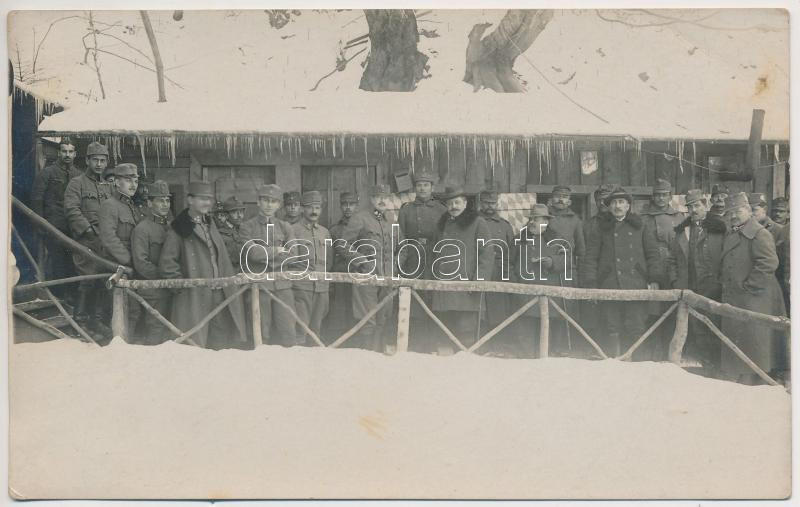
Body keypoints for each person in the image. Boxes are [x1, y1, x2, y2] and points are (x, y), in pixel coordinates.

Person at [158, 181, 247, 350]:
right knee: (194, 344)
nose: (207, 203)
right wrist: (183, 288)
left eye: (209, 199)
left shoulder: (209, 223)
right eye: (202, 199)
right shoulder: (179, 227)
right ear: (190, 200)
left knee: (221, 339)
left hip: (220, 291)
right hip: (195, 296)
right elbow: (167, 264)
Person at [582, 186, 661, 359]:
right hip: (609, 282)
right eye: (613, 203)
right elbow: (591, 258)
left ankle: (638, 362)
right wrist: (591, 282)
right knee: (612, 325)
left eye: (621, 202)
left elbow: (653, 254)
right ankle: (614, 362)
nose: (617, 206)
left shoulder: (641, 226)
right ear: (609, 207)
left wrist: (654, 279)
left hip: (636, 282)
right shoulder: (600, 228)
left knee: (636, 324)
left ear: (628, 206)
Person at [719, 193, 787, 385]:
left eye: (738, 211)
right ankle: (743, 378)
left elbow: (768, 263)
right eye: (730, 212)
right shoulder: (733, 233)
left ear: (749, 211)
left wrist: (749, 287)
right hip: (739, 297)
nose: (733, 216)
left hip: (756, 297)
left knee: (756, 342)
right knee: (745, 341)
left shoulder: (759, 233)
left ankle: (756, 381)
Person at [336, 184, 404, 352]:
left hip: (387, 278)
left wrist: (396, 265)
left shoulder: (392, 221)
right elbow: (343, 245)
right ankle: (367, 355)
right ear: (372, 199)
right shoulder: (360, 218)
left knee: (384, 317)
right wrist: (362, 261)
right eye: (378, 197)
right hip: (367, 277)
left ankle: (379, 355)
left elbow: (403, 247)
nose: (382, 201)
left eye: (385, 198)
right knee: (368, 319)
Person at [666, 189, 726, 375]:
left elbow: (727, 257)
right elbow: (672, 260)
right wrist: (676, 280)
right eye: (690, 207)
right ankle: (704, 364)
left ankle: (717, 366)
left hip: (714, 286)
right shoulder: (681, 231)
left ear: (706, 206)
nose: (694, 210)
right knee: (694, 325)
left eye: (697, 205)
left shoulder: (720, 228)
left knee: (715, 325)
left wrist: (721, 281)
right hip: (689, 286)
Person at [430, 186, 495, 351]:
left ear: (465, 203)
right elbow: (435, 253)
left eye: (457, 202)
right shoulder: (442, 224)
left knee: (466, 332)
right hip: (444, 287)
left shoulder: (478, 223)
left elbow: (487, 254)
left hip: (467, 288)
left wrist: (479, 281)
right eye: (450, 203)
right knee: (446, 330)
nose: (454, 206)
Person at [63, 141, 113, 340]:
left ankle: (97, 321)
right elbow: (71, 210)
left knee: (103, 280)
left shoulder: (108, 187)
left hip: (106, 242)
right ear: (87, 161)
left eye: (102, 161)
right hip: (86, 241)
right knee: (87, 279)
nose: (99, 164)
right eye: (95, 160)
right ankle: (80, 322)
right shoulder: (77, 183)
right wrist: (88, 231)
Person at [238, 184, 298, 346]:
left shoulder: (285, 227)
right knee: (260, 333)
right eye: (265, 200)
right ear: (258, 202)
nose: (269, 205)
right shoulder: (247, 227)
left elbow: (293, 255)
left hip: (283, 286)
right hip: (259, 286)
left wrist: (264, 256)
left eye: (273, 201)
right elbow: (252, 253)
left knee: (288, 332)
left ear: (279, 205)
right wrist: (277, 250)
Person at [396, 170, 447, 352]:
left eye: (426, 185)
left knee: (433, 297)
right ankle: (413, 343)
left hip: (434, 257)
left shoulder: (442, 210)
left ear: (432, 187)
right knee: (413, 298)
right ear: (415, 188)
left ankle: (431, 343)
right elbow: (400, 236)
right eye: (419, 185)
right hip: (412, 257)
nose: (422, 188)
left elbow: (445, 236)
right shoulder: (406, 209)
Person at [639, 178, 686, 360]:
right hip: (651, 268)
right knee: (652, 309)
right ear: (653, 196)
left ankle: (672, 351)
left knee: (673, 308)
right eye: (657, 195)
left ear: (670, 196)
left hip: (673, 268)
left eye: (664, 195)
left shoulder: (679, 217)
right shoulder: (644, 217)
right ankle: (652, 351)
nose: (660, 198)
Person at [98, 163, 146, 340]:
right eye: (128, 180)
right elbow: (109, 239)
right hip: (118, 266)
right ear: (117, 182)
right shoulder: (109, 206)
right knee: (125, 311)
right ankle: (121, 346)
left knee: (134, 311)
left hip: (133, 266)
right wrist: (130, 261)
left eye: (135, 181)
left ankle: (128, 345)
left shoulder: (133, 207)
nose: (133, 185)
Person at [513, 204, 567, 358]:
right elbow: (508, 263)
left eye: (537, 219)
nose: (532, 222)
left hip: (548, 290)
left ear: (546, 222)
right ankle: (526, 356)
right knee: (525, 326)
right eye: (531, 219)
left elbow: (568, 260)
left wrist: (553, 261)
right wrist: (514, 283)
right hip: (525, 291)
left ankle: (546, 357)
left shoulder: (558, 240)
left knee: (547, 325)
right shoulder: (519, 239)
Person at [30, 137, 81, 296]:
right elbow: (37, 199)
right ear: (59, 153)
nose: (67, 155)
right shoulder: (48, 172)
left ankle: (71, 296)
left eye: (70, 152)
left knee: (73, 261)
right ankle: (59, 295)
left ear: (75, 154)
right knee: (57, 261)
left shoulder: (78, 175)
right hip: (53, 226)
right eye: (64, 151)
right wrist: (40, 224)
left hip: (73, 227)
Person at [131, 180, 174, 345]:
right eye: (160, 200)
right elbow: (141, 263)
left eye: (167, 200)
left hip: (171, 287)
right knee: (156, 331)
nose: (165, 204)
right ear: (149, 203)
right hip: (153, 289)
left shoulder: (171, 227)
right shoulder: (142, 229)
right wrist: (165, 277)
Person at [477, 188, 518, 356]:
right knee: (480, 308)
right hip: (479, 269)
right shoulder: (474, 221)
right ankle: (480, 344)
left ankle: (499, 345)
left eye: (492, 203)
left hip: (499, 271)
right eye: (486, 203)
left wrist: (508, 273)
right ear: (480, 203)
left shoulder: (504, 225)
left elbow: (512, 252)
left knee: (499, 310)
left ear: (497, 204)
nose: (489, 206)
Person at [290, 191, 333, 344]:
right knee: (300, 328)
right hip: (301, 287)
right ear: (302, 209)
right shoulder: (292, 230)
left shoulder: (325, 232)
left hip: (321, 288)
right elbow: (288, 259)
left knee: (316, 330)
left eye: (317, 208)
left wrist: (324, 281)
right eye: (310, 207)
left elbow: (329, 260)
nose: (314, 211)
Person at [546, 185, 585, 355]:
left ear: (569, 201)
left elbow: (581, 250)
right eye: (557, 196)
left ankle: (562, 346)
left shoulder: (575, 220)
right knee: (547, 307)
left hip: (567, 269)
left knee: (565, 309)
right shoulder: (544, 216)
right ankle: (545, 345)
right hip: (546, 267)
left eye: (564, 197)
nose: (561, 200)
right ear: (551, 199)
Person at [327, 192, 360, 335]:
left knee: (357, 311)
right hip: (339, 275)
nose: (348, 207)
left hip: (359, 275)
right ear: (340, 206)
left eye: (351, 204)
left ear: (356, 206)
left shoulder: (363, 227)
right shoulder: (334, 230)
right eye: (344, 204)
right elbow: (329, 257)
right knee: (339, 314)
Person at [218, 196, 247, 270]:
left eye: (241, 212)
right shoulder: (220, 234)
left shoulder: (245, 230)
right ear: (226, 215)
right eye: (234, 212)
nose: (239, 216)